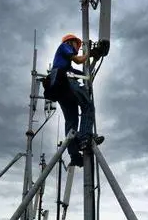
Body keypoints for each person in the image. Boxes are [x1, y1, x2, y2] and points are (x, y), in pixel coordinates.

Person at [43, 34, 104, 167]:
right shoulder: (64, 46)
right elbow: (78, 60)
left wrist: (90, 67)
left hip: (60, 89)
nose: (78, 46)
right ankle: (85, 137)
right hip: (66, 81)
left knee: (71, 121)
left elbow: (80, 72)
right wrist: (90, 54)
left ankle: (74, 155)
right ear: (70, 42)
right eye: (77, 43)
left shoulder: (63, 63)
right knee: (88, 106)